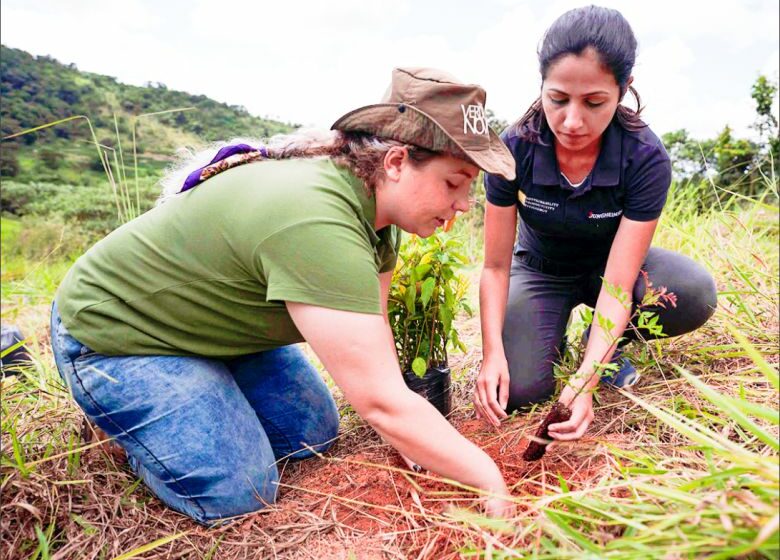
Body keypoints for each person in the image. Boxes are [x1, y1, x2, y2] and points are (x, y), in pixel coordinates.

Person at [50, 67, 517, 525]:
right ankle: (136, 435)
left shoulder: (376, 219)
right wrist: (488, 479)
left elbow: (375, 349)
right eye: (454, 183)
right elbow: (380, 401)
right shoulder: (317, 221)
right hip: (117, 333)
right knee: (238, 491)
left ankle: (199, 397)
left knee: (310, 433)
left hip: (210, 331)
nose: (462, 204)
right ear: (396, 163)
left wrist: (411, 438)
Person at [473, 6, 717, 442]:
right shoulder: (512, 150)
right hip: (539, 268)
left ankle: (603, 348)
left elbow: (620, 286)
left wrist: (586, 379)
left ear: (623, 90)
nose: (571, 120)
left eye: (594, 102)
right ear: (542, 86)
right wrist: (492, 353)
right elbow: (494, 268)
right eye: (558, 98)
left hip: (611, 270)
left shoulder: (644, 158)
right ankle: (548, 336)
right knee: (522, 390)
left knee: (693, 293)